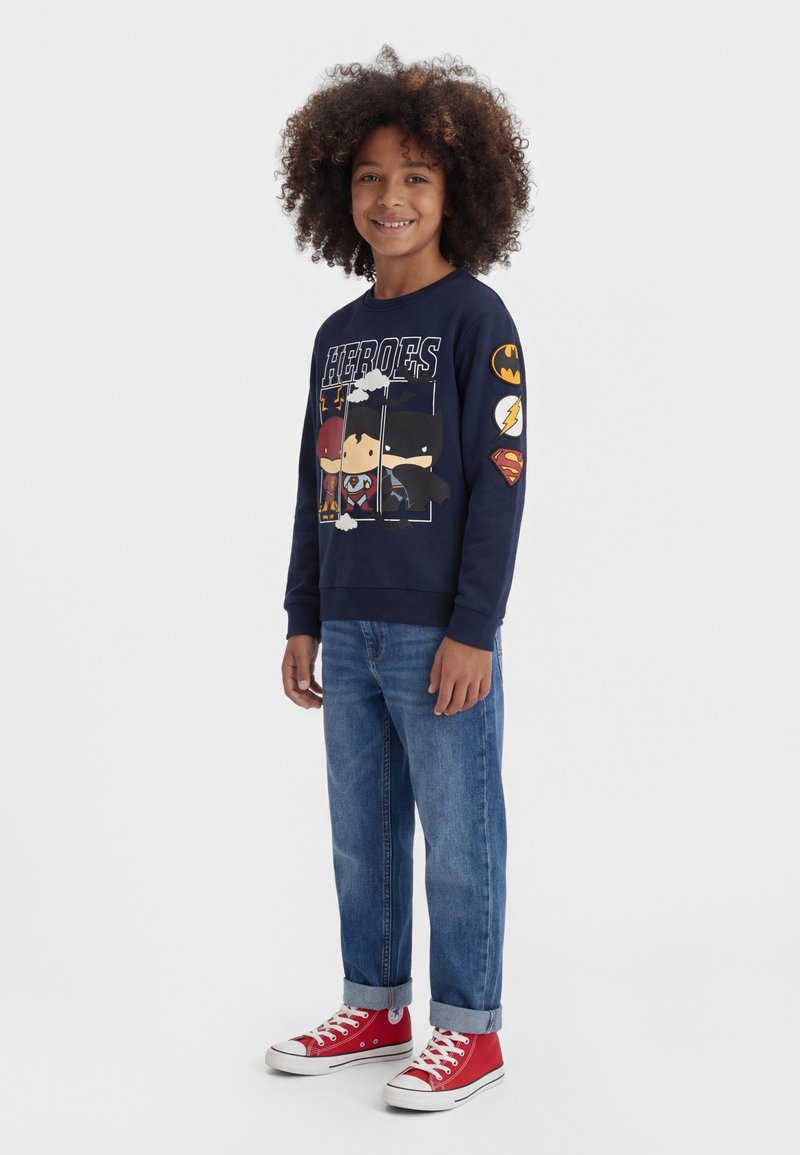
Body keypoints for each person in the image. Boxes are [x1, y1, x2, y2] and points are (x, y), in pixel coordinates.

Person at [265, 45, 533, 1112]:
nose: (391, 197)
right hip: (349, 630)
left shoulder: (477, 322)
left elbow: (500, 484)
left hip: (437, 636)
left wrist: (474, 627)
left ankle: (470, 1028)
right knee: (362, 832)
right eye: (371, 176)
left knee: (460, 835)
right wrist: (302, 613)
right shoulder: (337, 336)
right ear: (340, 190)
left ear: (457, 192)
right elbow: (314, 483)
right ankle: (375, 1005)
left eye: (416, 177)